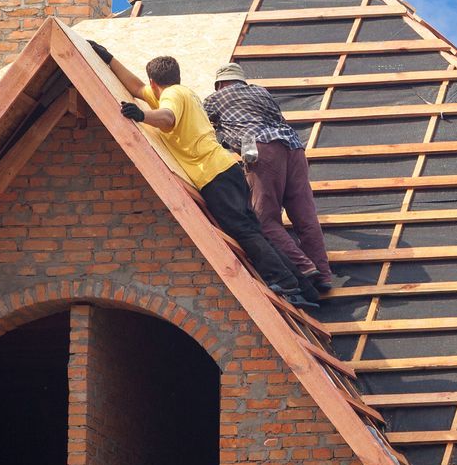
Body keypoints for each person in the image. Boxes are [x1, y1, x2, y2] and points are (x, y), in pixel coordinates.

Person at [88, 41, 316, 310]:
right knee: (254, 229)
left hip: (213, 174)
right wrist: (108, 58)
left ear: (155, 81)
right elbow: (137, 87)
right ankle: (304, 286)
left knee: (244, 231)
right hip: (227, 168)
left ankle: (287, 284)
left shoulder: (172, 95)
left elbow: (167, 118)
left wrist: (142, 115)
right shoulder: (182, 92)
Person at [203, 62, 333, 299]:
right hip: (294, 150)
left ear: (220, 84)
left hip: (263, 151)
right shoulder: (262, 91)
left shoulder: (216, 98)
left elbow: (199, 125)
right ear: (242, 80)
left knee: (264, 218)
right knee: (305, 216)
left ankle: (304, 267)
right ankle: (324, 274)